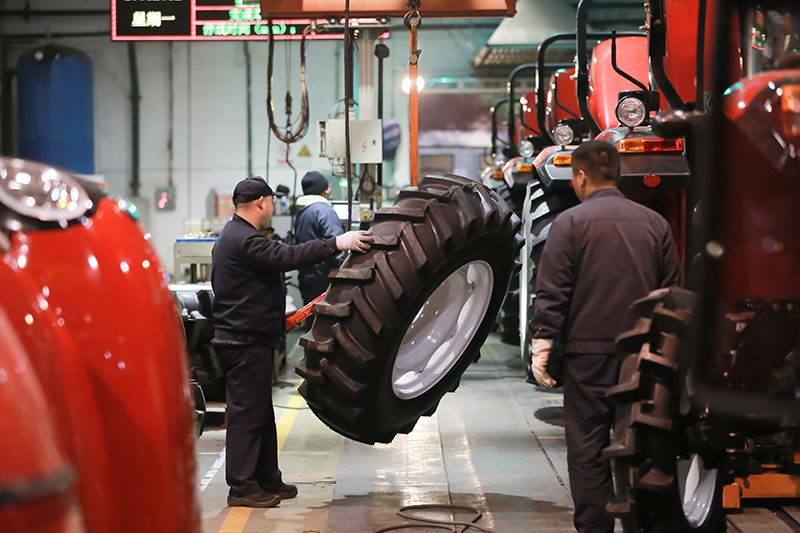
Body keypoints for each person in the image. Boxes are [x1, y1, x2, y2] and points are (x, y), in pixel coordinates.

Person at [527, 141, 681, 533]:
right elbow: (672, 293)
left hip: (587, 357)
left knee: (588, 450)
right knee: (643, 448)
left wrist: (543, 344)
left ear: (579, 177)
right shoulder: (654, 223)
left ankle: (595, 528)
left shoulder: (570, 224)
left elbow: (553, 292)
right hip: (644, 357)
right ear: (618, 173)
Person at [211, 176, 373, 509]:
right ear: (261, 202)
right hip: (243, 342)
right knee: (246, 414)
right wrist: (338, 243)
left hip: (250, 338)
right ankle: (241, 487)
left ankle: (266, 478)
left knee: (260, 412)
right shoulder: (244, 239)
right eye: (271, 202)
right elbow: (288, 256)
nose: (272, 208)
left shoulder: (236, 235)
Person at [294, 171, 345, 312]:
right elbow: (336, 243)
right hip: (324, 279)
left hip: (307, 276)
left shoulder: (302, 211)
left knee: (311, 322)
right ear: (327, 188)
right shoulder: (324, 211)